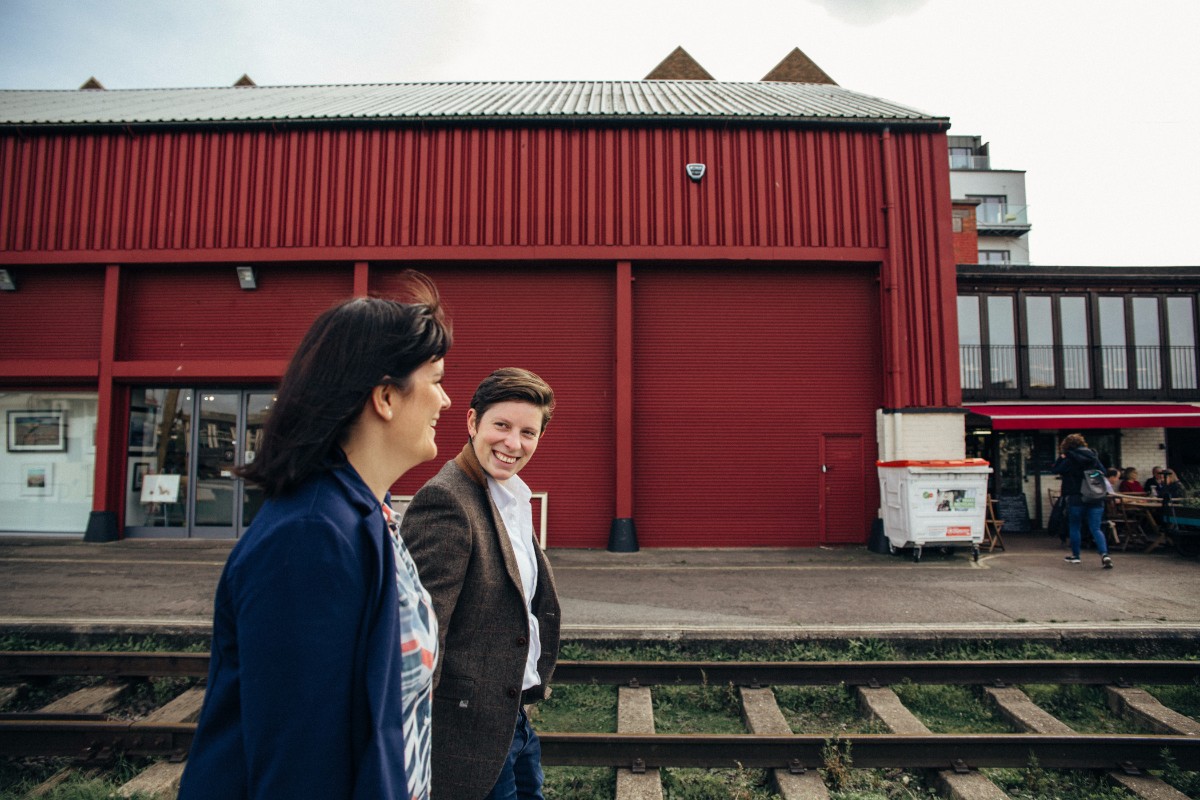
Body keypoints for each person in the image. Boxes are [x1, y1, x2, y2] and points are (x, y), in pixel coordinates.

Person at [179, 277, 453, 800]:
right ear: (386, 397)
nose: (445, 399)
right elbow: (300, 766)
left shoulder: (365, 513)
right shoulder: (309, 538)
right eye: (436, 379)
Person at [400, 368, 561, 800]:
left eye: (528, 432)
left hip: (513, 720)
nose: (514, 444)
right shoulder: (447, 501)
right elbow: (423, 633)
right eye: (502, 426)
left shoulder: (511, 496)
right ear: (472, 423)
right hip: (468, 735)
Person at [1051, 433, 1113, 569]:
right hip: (1094, 495)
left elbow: (1056, 469)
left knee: (1075, 526)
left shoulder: (1068, 457)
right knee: (1096, 528)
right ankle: (1104, 554)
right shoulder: (1093, 456)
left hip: (1076, 495)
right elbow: (1103, 472)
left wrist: (1061, 459)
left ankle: (1076, 555)